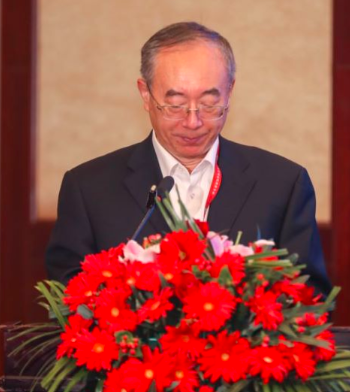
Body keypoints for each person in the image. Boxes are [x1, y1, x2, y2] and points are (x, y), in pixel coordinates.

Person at [45, 22, 331, 296]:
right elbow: (69, 300)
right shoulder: (89, 189)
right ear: (145, 95)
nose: (193, 122)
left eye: (209, 103)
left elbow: (310, 299)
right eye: (175, 105)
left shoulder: (282, 184)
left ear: (229, 92)